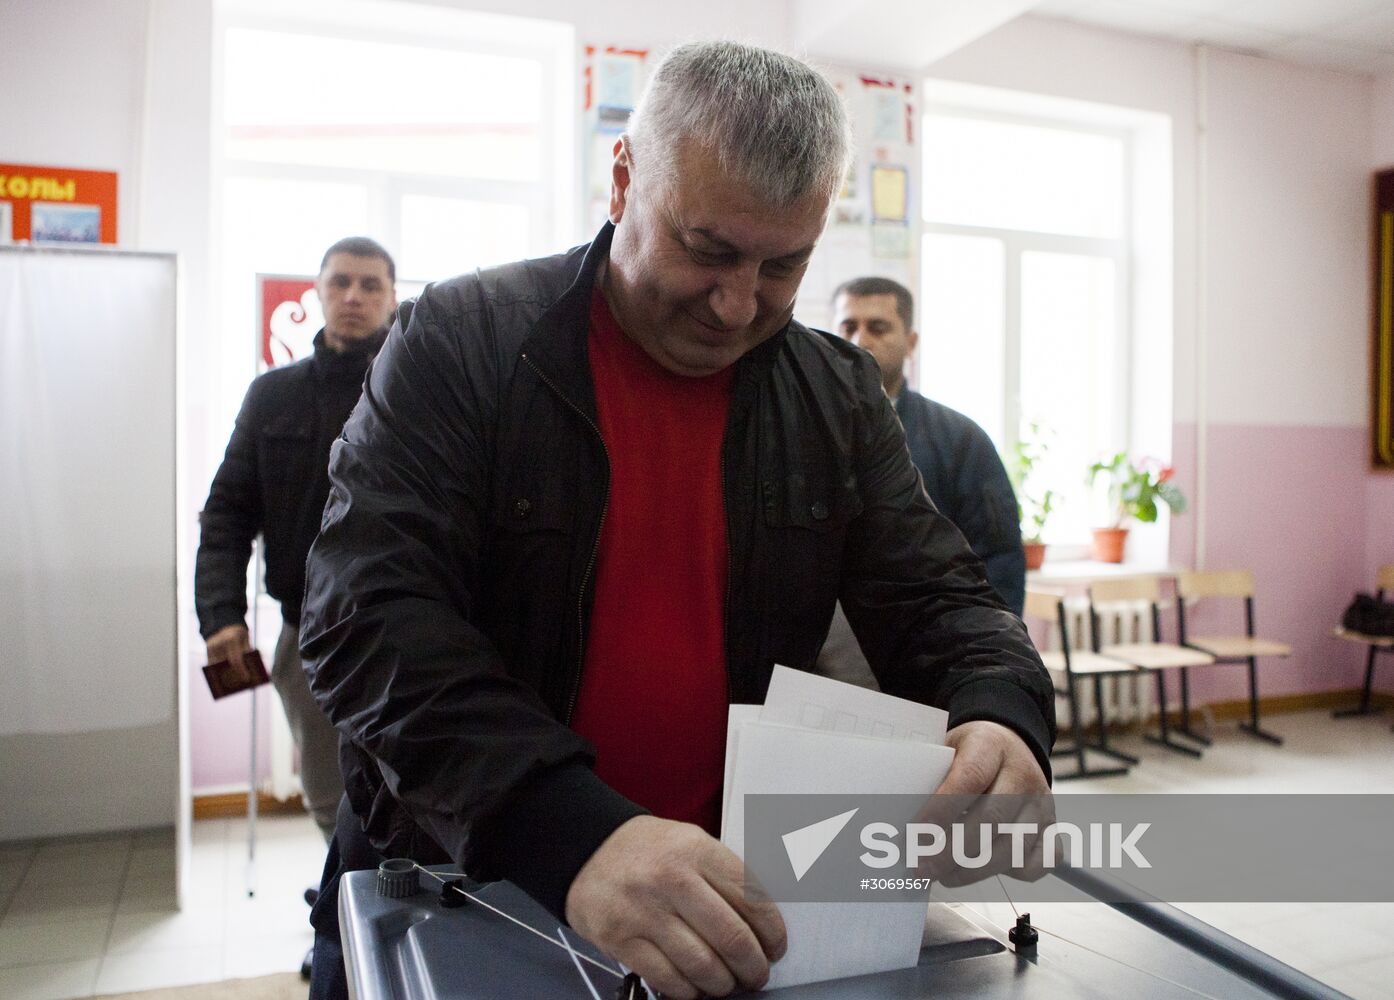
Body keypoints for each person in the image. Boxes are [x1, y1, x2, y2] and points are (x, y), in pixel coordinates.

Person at [300, 42, 1054, 1000]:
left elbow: (938, 594)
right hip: (468, 881)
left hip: (719, 907)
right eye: (708, 251)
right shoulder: (465, 339)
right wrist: (570, 832)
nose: (739, 305)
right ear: (622, 179)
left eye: (785, 265)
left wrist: (1002, 711)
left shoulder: (836, 393)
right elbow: (365, 613)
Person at [195, 235, 398, 844]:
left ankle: (385, 921)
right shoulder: (273, 396)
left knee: (415, 794)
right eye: (340, 282)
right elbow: (227, 512)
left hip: (407, 629)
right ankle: (340, 922)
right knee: (328, 797)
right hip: (305, 632)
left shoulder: (418, 391)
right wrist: (220, 616)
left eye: (370, 285)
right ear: (318, 291)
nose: (353, 296)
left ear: (394, 298)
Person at [816, 277, 1027, 688]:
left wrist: (988, 673)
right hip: (817, 669)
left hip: (924, 657)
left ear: (910, 342)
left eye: (878, 327)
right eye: (847, 327)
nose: (860, 340)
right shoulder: (800, 430)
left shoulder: (959, 440)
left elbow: (999, 559)